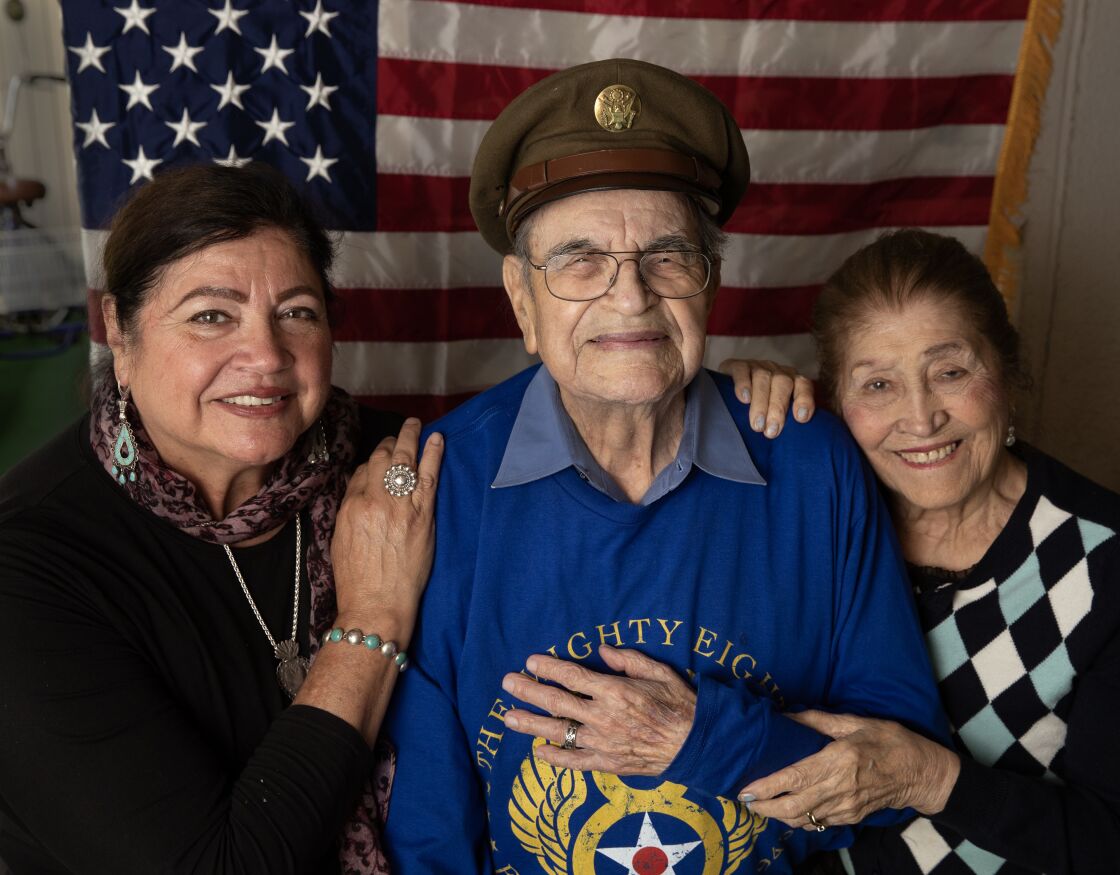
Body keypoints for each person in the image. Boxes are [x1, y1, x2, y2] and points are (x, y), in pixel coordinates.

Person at [381, 58, 949, 873]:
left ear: (710, 284)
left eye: (668, 256)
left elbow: (899, 774)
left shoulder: (811, 464)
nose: (630, 296)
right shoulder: (445, 484)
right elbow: (430, 837)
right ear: (520, 299)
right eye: (580, 261)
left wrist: (700, 738)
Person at [0, 162, 444, 874]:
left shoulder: (402, 469)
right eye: (212, 314)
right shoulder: (28, 564)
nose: (266, 356)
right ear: (120, 328)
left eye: (297, 311)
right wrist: (376, 616)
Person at [733, 230, 1120, 874]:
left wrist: (933, 781)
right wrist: (728, 399)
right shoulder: (811, 518)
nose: (920, 420)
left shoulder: (1106, 557)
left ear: (1005, 374)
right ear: (836, 402)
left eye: (950, 372)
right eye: (877, 385)